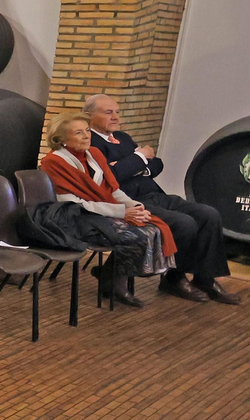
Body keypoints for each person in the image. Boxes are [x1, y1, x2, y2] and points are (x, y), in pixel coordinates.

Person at [85, 94, 239, 304]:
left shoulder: (124, 137)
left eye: (117, 112)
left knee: (208, 214)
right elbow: (113, 177)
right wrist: (139, 157)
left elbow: (157, 164)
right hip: (127, 201)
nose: (115, 117)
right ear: (89, 116)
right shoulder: (89, 141)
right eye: (108, 112)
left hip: (154, 193)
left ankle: (205, 278)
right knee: (184, 223)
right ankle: (174, 278)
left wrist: (135, 167)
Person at [40, 112, 178, 308]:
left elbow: (113, 189)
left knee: (152, 227)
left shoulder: (95, 154)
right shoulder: (54, 162)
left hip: (101, 212)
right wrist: (122, 212)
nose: (87, 136)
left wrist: (134, 206)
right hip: (74, 216)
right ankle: (114, 282)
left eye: (87, 130)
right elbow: (76, 203)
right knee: (136, 236)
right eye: (78, 133)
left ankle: (109, 276)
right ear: (61, 139)